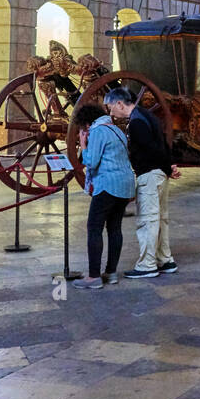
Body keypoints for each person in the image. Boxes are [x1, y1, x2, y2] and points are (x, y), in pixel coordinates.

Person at [102, 87, 180, 279]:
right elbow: (163, 142)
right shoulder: (146, 115)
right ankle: (165, 260)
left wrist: (168, 167)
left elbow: (152, 149)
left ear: (120, 103)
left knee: (148, 220)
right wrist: (169, 166)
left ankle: (147, 265)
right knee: (161, 219)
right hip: (160, 174)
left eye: (112, 107)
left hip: (150, 176)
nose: (111, 112)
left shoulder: (136, 122)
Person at [74, 103, 134, 290]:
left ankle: (93, 277)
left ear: (87, 122)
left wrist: (83, 144)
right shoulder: (117, 130)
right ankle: (111, 272)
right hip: (125, 184)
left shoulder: (98, 131)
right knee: (114, 228)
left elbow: (91, 162)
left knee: (94, 227)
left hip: (107, 185)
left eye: (83, 127)